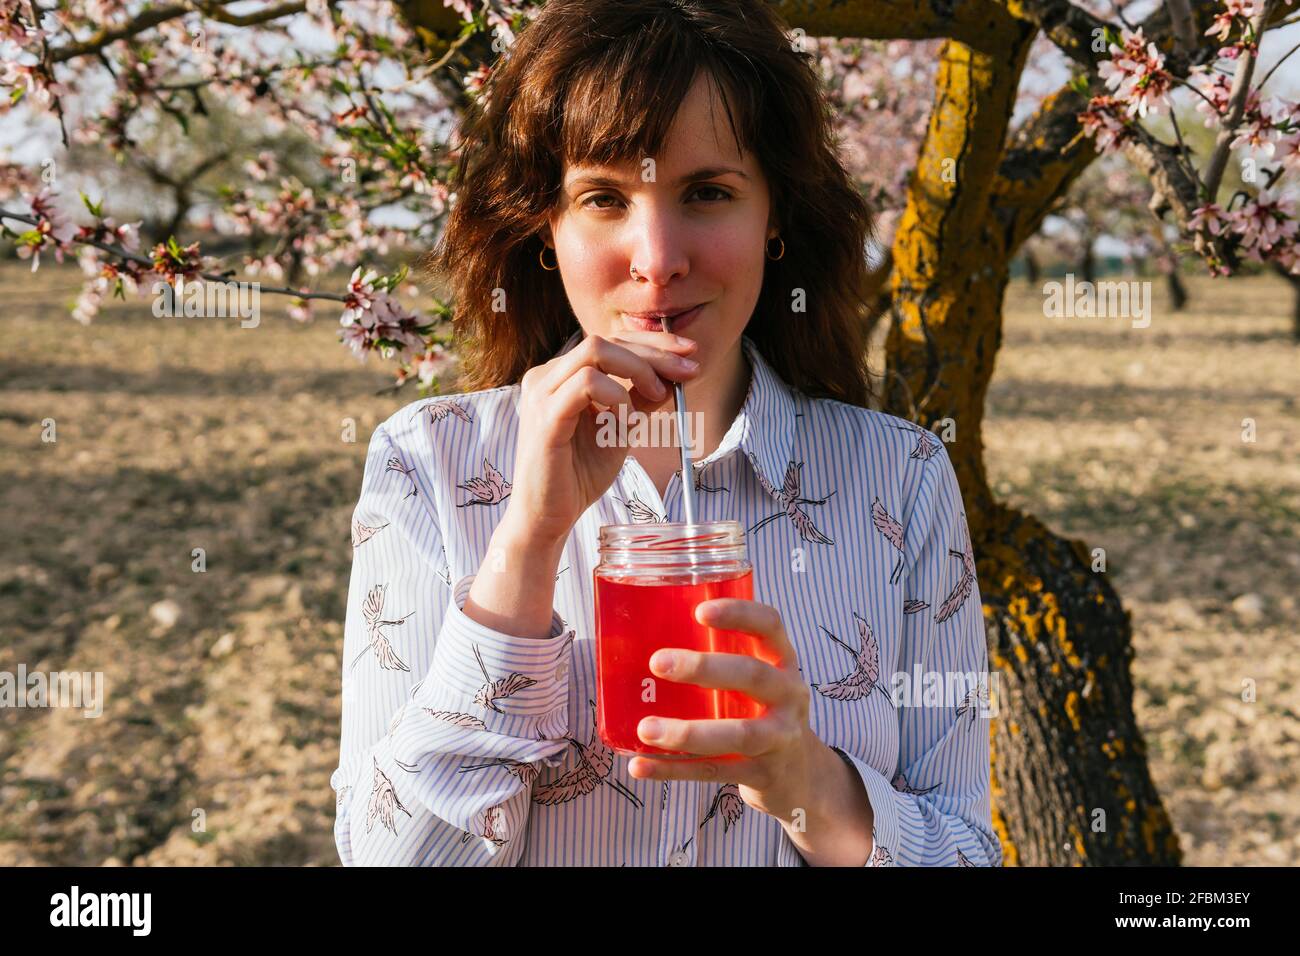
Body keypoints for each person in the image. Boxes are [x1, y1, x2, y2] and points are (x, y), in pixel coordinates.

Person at [330, 0, 1001, 867]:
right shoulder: (428, 462)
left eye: (707, 193)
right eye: (604, 197)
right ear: (547, 225)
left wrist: (805, 779)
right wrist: (528, 545)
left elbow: (963, 852)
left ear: (776, 215)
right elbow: (392, 859)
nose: (657, 256)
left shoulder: (898, 476)